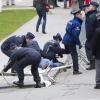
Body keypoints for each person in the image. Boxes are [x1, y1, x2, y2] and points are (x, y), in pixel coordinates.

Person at [62, 8, 83, 75]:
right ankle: (75, 70)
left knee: (67, 52)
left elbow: (67, 29)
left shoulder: (70, 21)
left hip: (66, 39)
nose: (81, 15)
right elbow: (75, 36)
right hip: (70, 40)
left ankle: (55, 50)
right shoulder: (76, 23)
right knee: (74, 55)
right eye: (80, 14)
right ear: (76, 15)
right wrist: (79, 43)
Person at [85, 1, 99, 70]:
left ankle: (92, 64)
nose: (88, 7)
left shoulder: (91, 17)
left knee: (88, 47)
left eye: (90, 6)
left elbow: (89, 29)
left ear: (93, 7)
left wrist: (88, 38)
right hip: (98, 34)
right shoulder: (98, 14)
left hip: (93, 36)